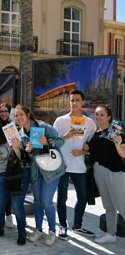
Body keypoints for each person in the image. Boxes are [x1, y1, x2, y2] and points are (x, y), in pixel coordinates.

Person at [15, 105, 65, 246]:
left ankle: (52, 231)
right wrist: (28, 150)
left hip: (51, 171)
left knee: (47, 202)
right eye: (16, 116)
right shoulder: (21, 135)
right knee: (37, 201)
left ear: (28, 115)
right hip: (36, 172)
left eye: (21, 114)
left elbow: (61, 141)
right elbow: (27, 157)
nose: (18, 118)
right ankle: (38, 229)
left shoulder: (43, 127)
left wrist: (48, 142)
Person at [53, 90, 96, 239]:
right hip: (63, 165)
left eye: (77, 100)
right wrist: (66, 136)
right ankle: (62, 226)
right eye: (72, 100)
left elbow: (91, 143)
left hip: (79, 165)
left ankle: (77, 225)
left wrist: (84, 151)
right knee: (62, 197)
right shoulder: (60, 120)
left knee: (83, 196)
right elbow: (53, 142)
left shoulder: (90, 123)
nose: (74, 103)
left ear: (83, 102)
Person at [86, 105, 125, 243]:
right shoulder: (95, 134)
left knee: (122, 205)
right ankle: (111, 234)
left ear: (109, 117)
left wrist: (118, 144)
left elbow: (123, 154)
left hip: (114, 171)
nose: (99, 117)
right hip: (98, 172)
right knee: (108, 205)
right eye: (97, 114)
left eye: (102, 114)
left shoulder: (117, 133)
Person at [0, 103, 14, 228]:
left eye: (5, 111)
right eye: (1, 111)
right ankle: (1, 216)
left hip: (11, 163)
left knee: (9, 192)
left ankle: (9, 215)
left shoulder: (13, 125)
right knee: (0, 193)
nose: (3, 113)